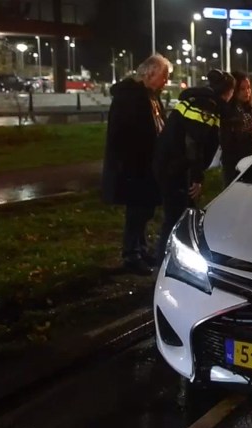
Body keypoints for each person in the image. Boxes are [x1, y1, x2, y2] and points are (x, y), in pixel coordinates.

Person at [153, 69, 236, 259]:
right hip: (177, 168)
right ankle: (166, 258)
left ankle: (168, 255)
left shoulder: (198, 100)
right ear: (229, 91)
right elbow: (194, 144)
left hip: (170, 164)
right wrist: (197, 177)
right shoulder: (207, 106)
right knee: (178, 216)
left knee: (178, 213)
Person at [101, 54, 171, 275]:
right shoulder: (130, 97)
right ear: (149, 73)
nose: (166, 81)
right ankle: (131, 254)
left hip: (148, 165)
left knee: (145, 210)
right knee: (137, 211)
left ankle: (140, 248)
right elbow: (122, 135)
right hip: (135, 167)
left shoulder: (150, 95)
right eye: (164, 76)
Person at [220, 71, 252, 188]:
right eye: (242, 89)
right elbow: (226, 140)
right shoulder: (227, 111)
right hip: (233, 164)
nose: (247, 92)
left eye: (248, 88)